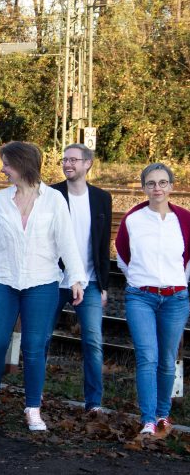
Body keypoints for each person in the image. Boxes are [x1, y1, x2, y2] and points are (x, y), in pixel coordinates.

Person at [0, 141, 85, 431]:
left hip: (42, 282)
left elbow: (67, 241)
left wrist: (75, 278)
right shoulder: (0, 200)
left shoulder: (54, 200)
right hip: (3, 280)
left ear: (22, 165)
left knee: (34, 347)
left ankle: (33, 407)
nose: (2, 169)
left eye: (6, 164)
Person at [115, 163, 190, 437]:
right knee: (147, 357)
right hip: (141, 297)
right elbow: (122, 255)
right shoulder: (133, 219)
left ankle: (163, 414)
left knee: (167, 360)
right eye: (151, 183)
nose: (157, 188)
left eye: (162, 182)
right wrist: (139, 278)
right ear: (144, 187)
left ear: (171, 186)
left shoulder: (184, 219)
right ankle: (147, 419)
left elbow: (188, 257)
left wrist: (177, 281)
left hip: (176, 299)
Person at [48, 143, 112, 414]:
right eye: (64, 160)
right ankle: (33, 398)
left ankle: (93, 402)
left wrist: (104, 285)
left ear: (88, 164)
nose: (67, 164)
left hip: (89, 282)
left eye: (73, 159)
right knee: (41, 338)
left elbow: (101, 244)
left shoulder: (101, 198)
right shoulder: (52, 194)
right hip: (53, 279)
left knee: (93, 341)